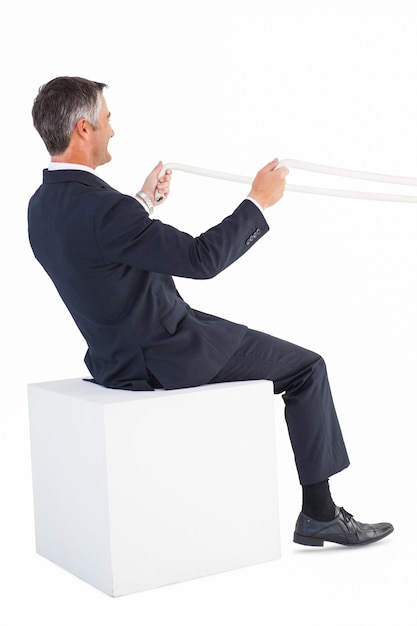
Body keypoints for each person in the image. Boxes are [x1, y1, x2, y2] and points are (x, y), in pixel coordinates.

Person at [28, 76, 393, 548]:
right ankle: (319, 513)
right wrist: (257, 201)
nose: (113, 130)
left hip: (116, 357)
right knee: (308, 368)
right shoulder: (106, 210)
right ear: (83, 129)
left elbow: (100, 251)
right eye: (107, 119)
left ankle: (319, 513)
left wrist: (142, 203)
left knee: (269, 348)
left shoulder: (42, 207)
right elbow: (202, 260)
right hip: (168, 353)